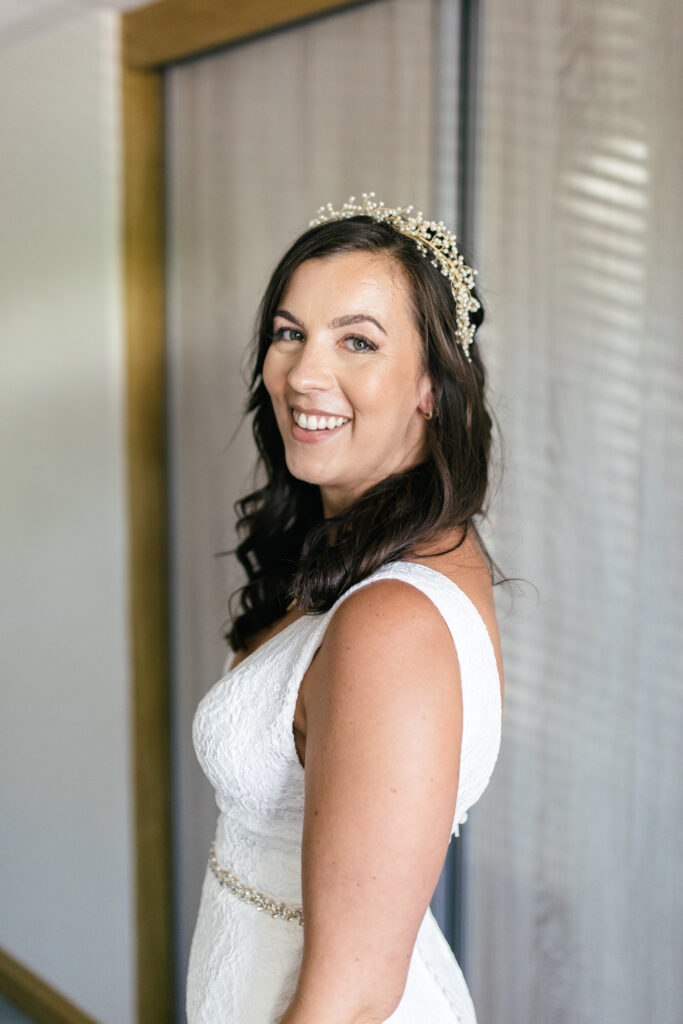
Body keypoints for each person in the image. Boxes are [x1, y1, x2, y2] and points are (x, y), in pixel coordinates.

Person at [186, 193, 506, 1024]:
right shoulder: (368, 548)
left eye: (356, 340)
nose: (301, 374)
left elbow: (353, 1000)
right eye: (289, 332)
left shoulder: (390, 623)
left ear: (432, 386)